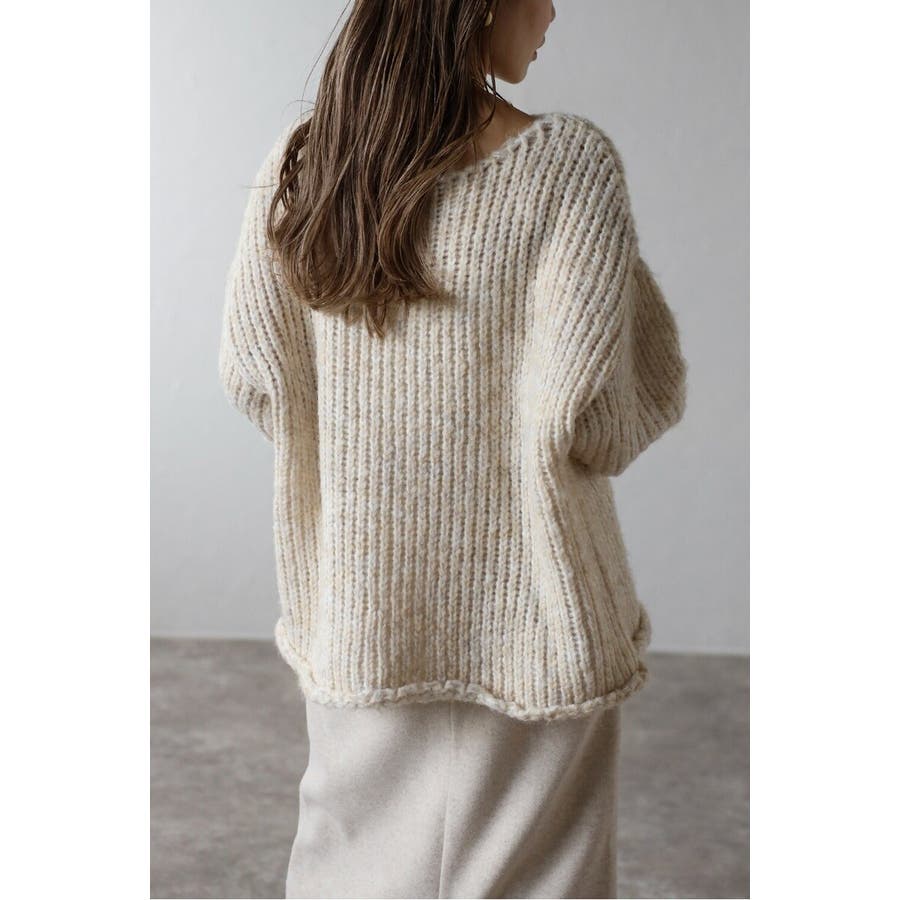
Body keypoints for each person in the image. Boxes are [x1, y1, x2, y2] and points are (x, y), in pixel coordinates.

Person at [218, 1, 688, 897]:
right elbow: (611, 413)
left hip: (363, 605)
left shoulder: (306, 162)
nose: (553, 12)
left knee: (351, 872)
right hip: (537, 614)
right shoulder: (567, 166)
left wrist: (366, 448)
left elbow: (256, 376)